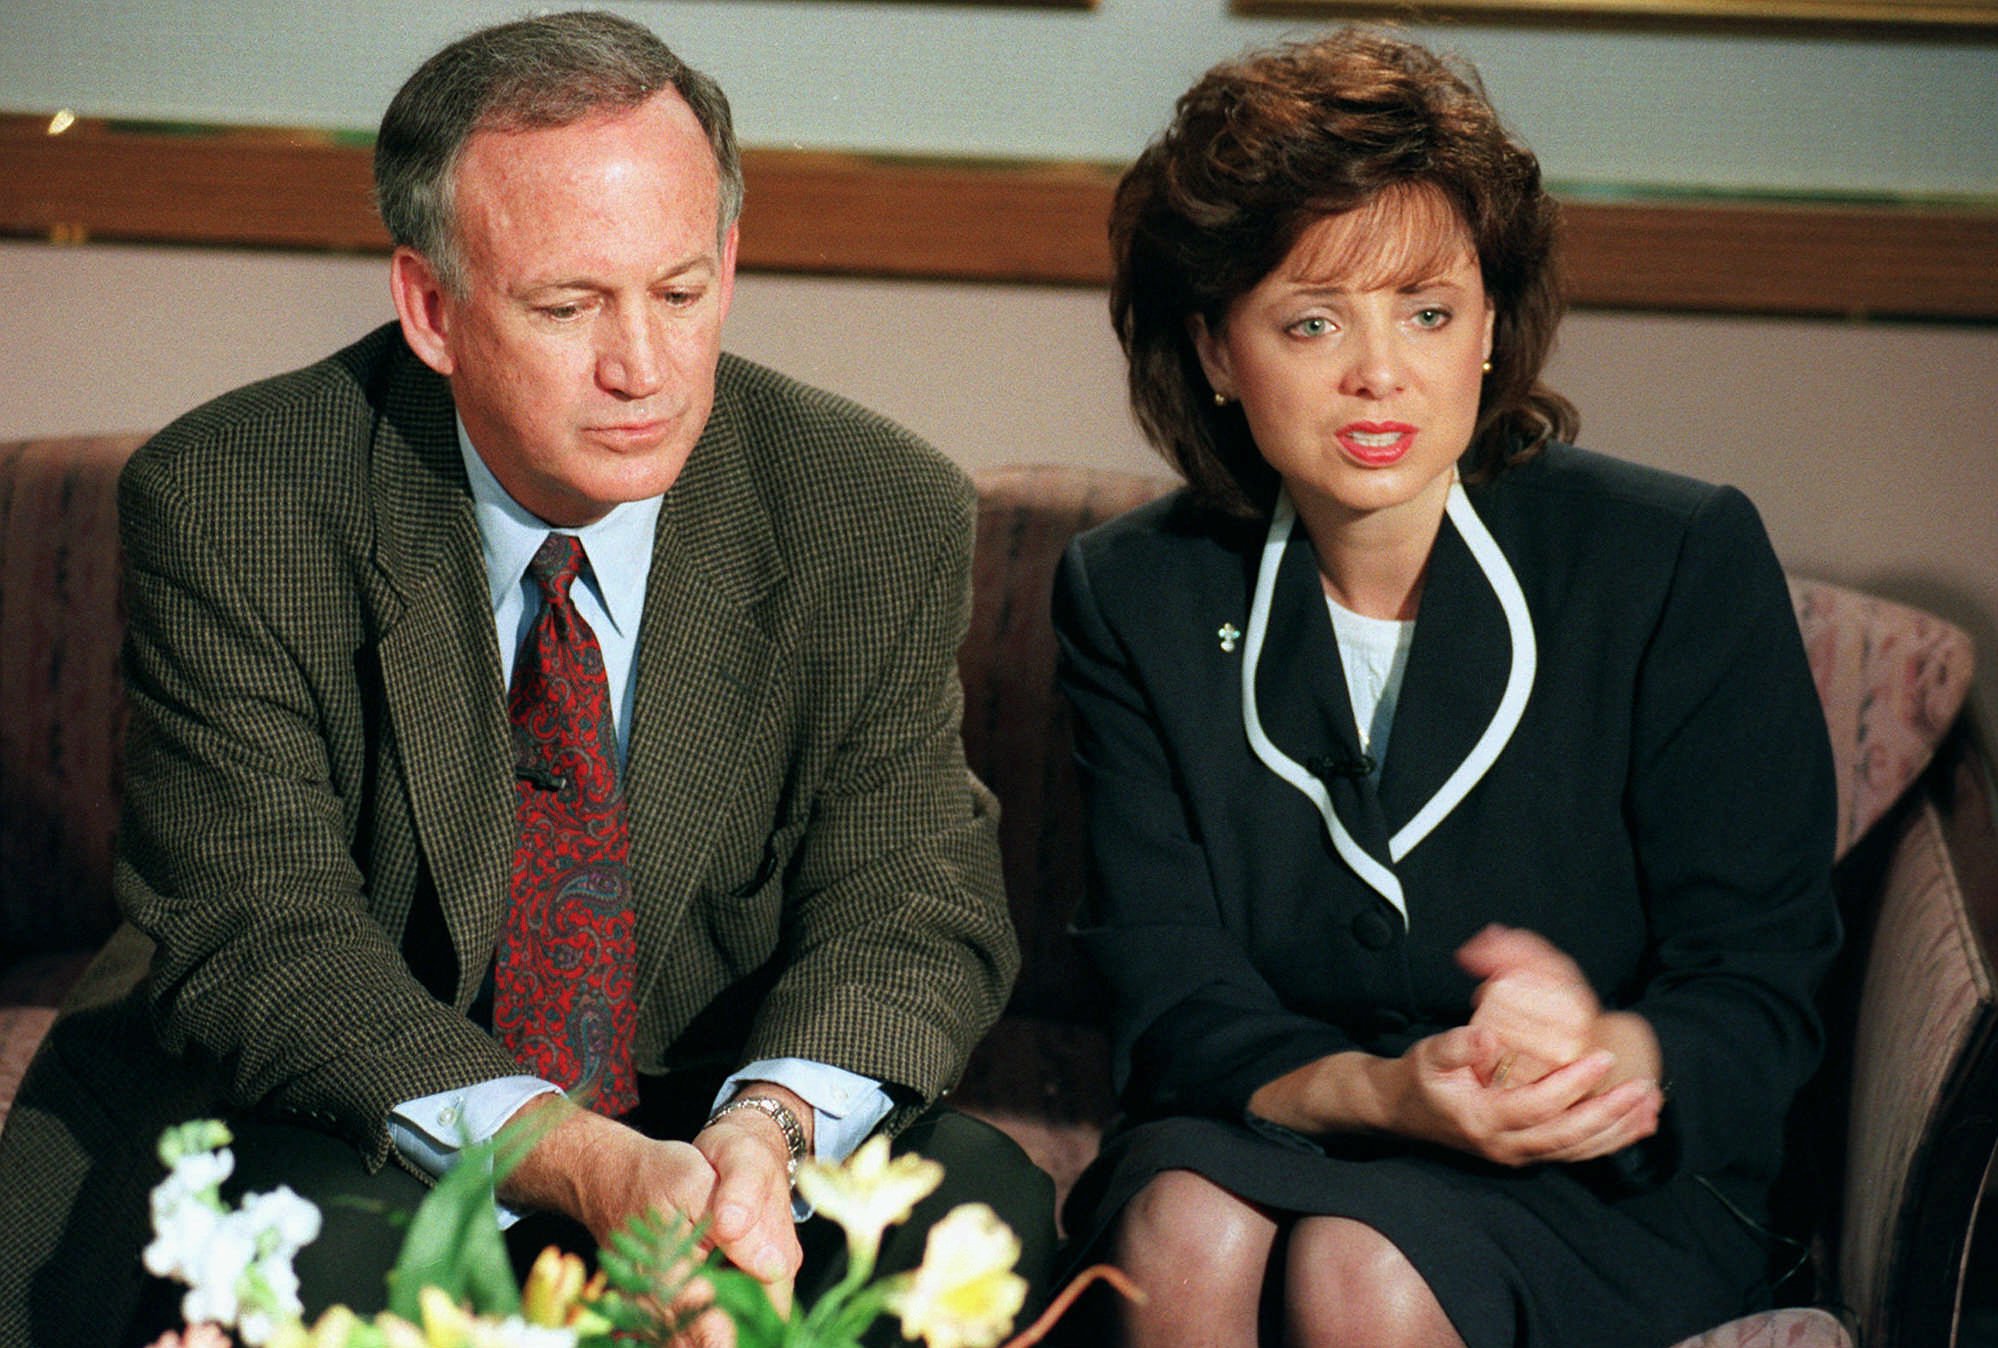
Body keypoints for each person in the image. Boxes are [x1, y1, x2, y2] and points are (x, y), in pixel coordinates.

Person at [0, 11, 1052, 1345]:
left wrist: (764, 1134)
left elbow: (909, 893)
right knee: (318, 1271)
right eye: (570, 305)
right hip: (339, 1110)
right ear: (432, 308)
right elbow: (260, 934)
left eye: (683, 291)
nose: (645, 367)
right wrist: (569, 1158)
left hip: (707, 1109)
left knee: (977, 1210)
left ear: (728, 259)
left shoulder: (871, 506)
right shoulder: (236, 498)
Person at [1052, 27, 1839, 1348]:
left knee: (1364, 1269)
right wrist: (1385, 1093)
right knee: (1184, 1227)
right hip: (1292, 1109)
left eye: (1427, 310)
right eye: (1311, 320)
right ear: (1213, 352)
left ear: (1488, 326)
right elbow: (1175, 998)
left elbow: (1757, 991)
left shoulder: (1671, 559)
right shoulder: (1133, 593)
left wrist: (1600, 1057)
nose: (1381, 373)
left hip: (1599, 1175)